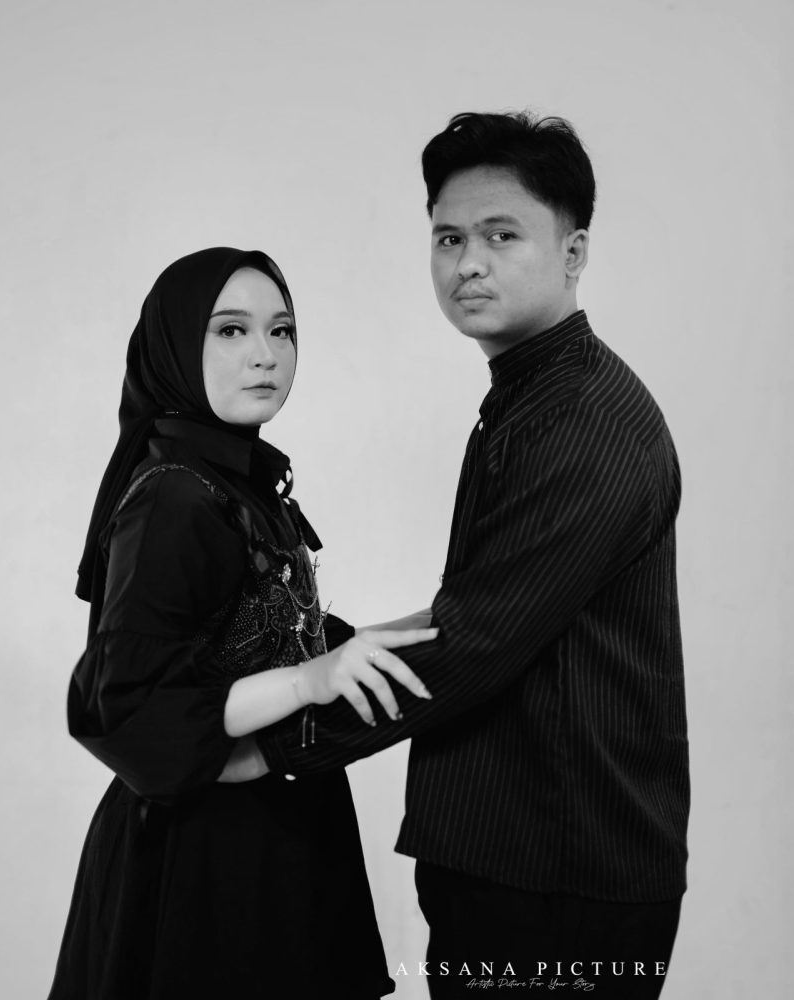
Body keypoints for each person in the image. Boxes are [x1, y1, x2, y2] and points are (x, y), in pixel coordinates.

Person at [232, 112, 690, 999]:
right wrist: (310, 661)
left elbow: (474, 643)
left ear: (573, 253)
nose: (468, 262)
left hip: (558, 876)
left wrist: (266, 746)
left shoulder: (583, 423)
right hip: (518, 857)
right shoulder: (534, 396)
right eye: (449, 238)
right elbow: (476, 613)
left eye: (501, 235)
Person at [48, 247, 437, 1000]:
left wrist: (400, 632)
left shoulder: (235, 479)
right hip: (202, 864)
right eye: (230, 330)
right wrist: (310, 680)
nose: (266, 355)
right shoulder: (174, 498)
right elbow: (128, 706)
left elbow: (266, 634)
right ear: (175, 346)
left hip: (278, 831)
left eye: (281, 330)